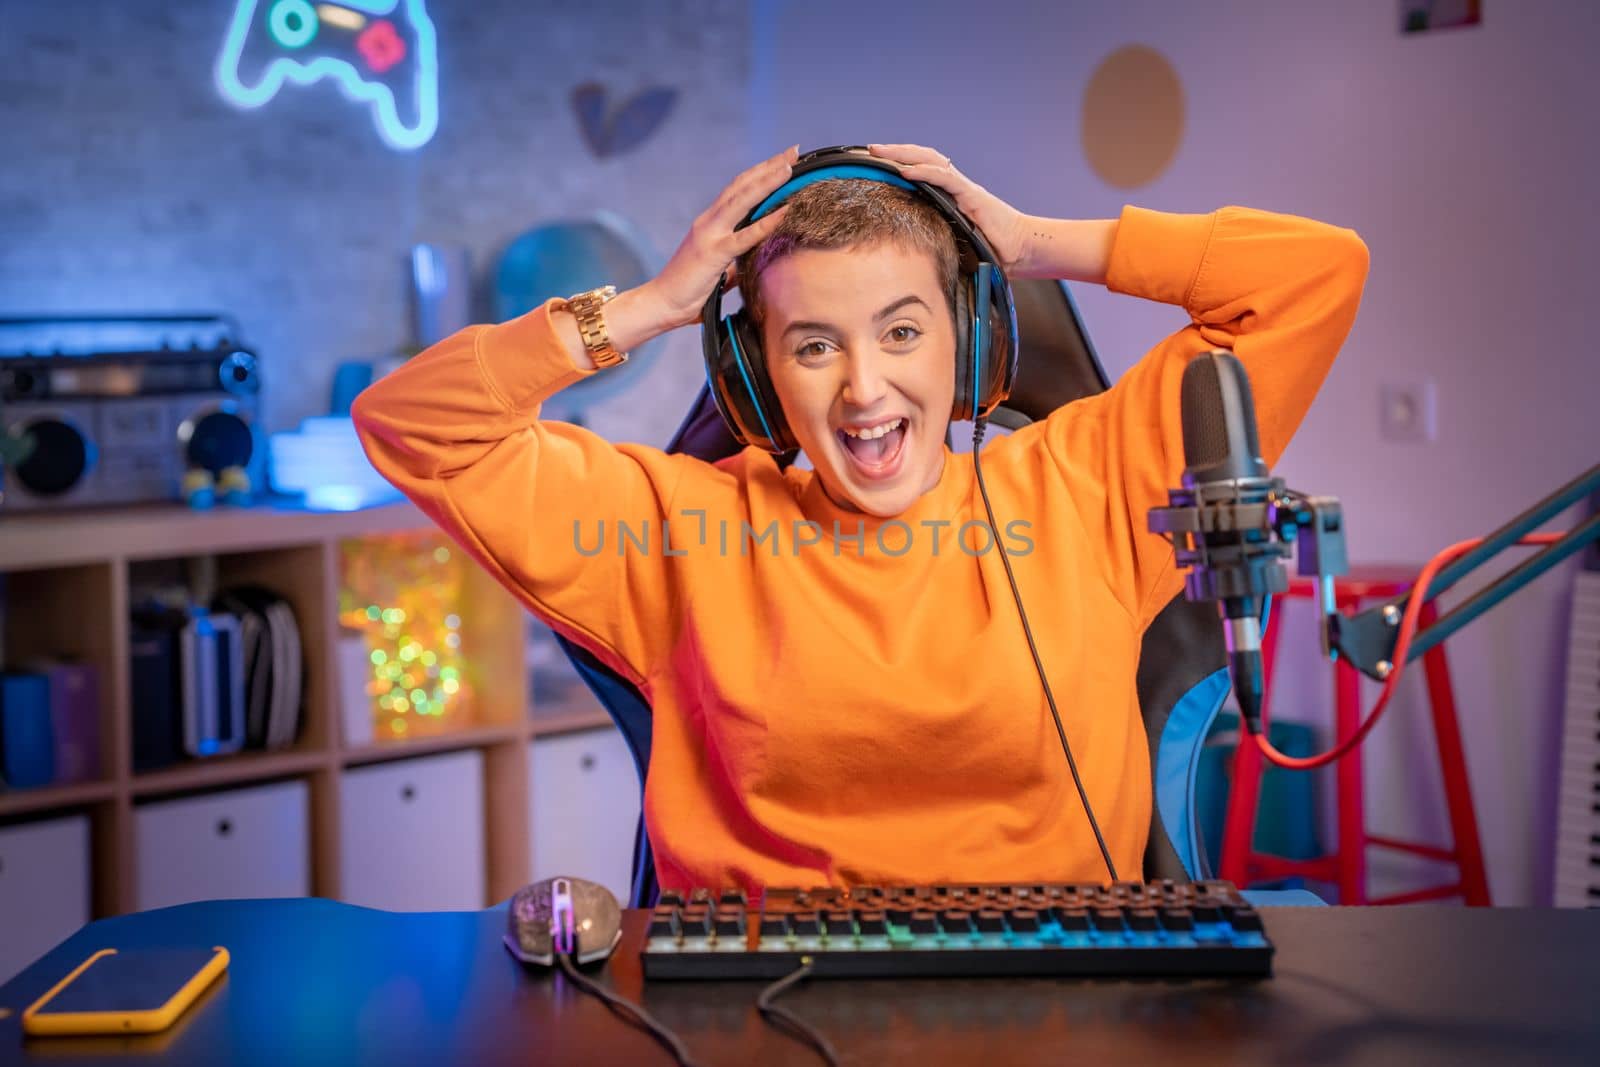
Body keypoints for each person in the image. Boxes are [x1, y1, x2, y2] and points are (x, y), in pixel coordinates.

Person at [351, 142, 1369, 893]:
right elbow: (409, 423)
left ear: (965, 347)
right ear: (757, 376)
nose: (864, 388)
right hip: (761, 1009)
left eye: (902, 330)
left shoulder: (1087, 485)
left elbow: (1311, 275)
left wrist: (1025, 241)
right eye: (812, 345)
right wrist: (655, 306)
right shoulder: (673, 528)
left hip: (1052, 1001)